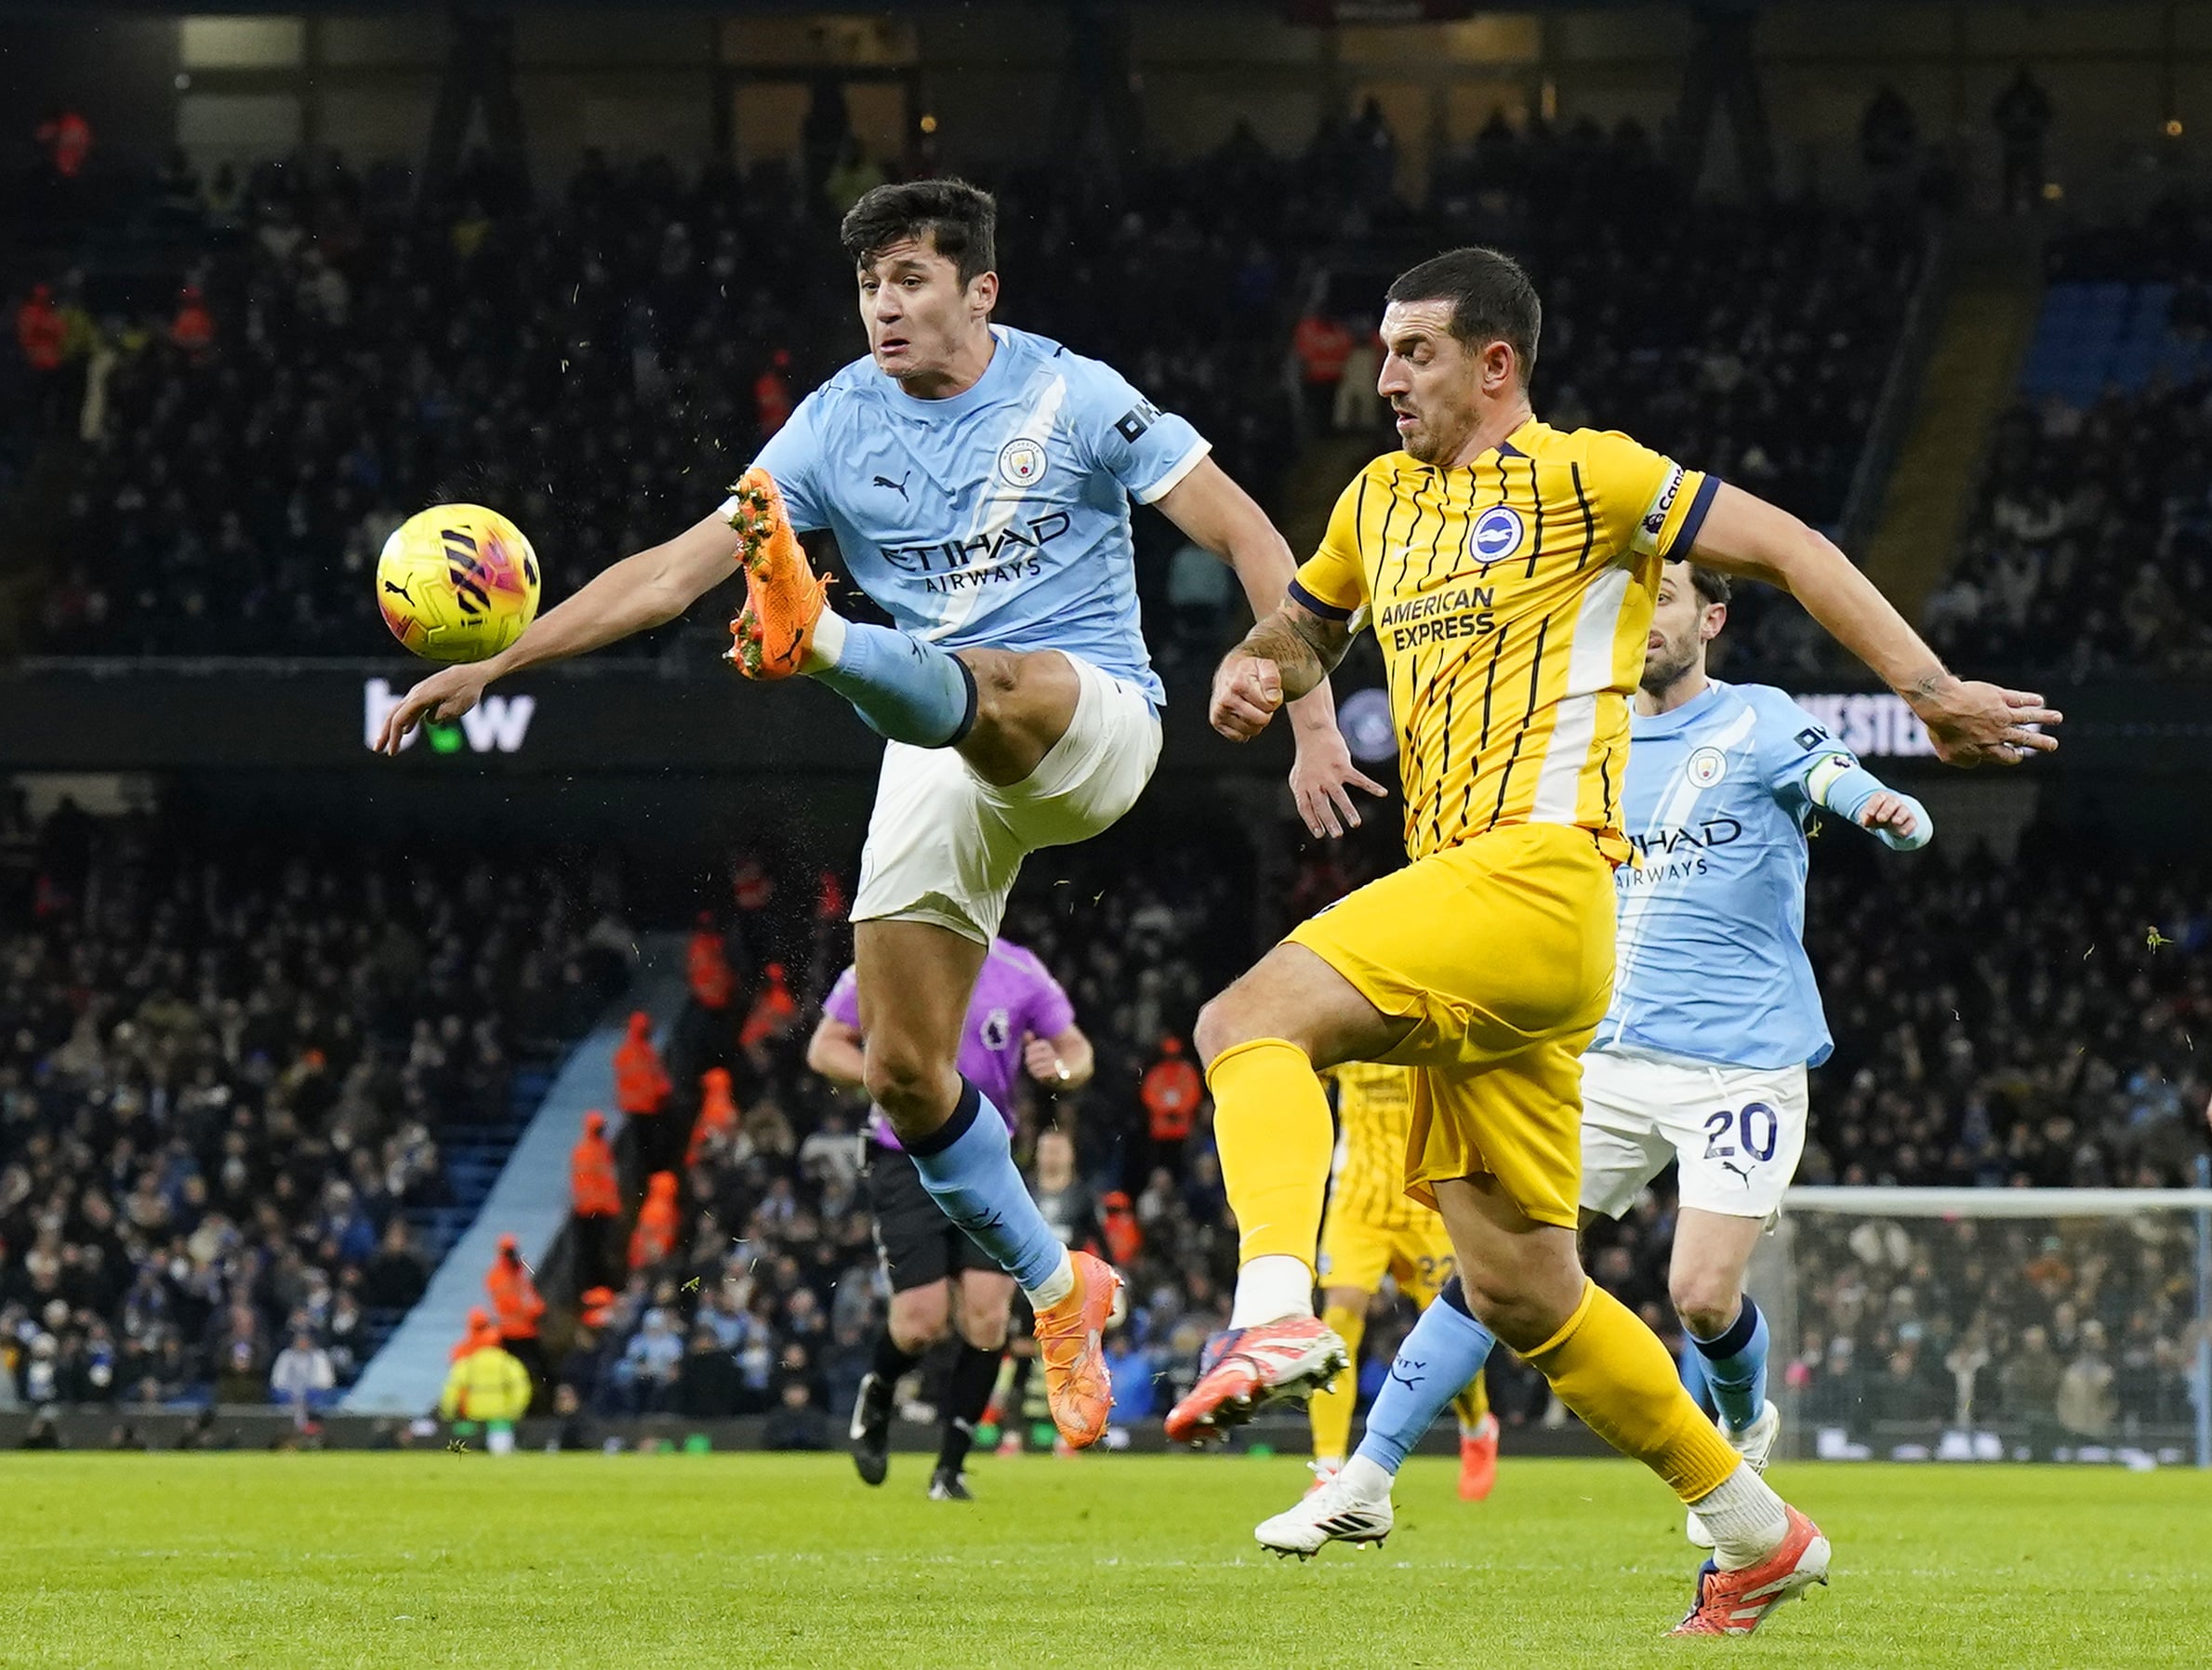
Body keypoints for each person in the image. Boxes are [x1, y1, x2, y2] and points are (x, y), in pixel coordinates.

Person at [375, 176, 1378, 1451]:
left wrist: (1303, 724)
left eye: (910, 281)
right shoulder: (833, 425)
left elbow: (1249, 537)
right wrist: (494, 668)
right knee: (908, 1080)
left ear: (980, 292)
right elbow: (677, 570)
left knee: (990, 680)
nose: (884, 308)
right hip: (932, 746)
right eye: (868, 286)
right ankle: (1061, 1290)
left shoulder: (1075, 394)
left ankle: (824, 640)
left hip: (1089, 715)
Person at [1163, 245, 2058, 1637]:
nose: (1380, 376)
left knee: (1243, 1021)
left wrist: (1925, 689)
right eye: (1379, 352)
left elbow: (1787, 546)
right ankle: (1751, 1528)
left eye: (1412, 354)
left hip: (1535, 880)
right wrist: (1257, 673)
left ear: (1494, 363)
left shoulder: (1589, 475)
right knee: (1524, 1293)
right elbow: (1300, 627)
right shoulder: (1373, 500)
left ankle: (1273, 1308)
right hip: (1479, 929)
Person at [1258, 560, 1935, 1557]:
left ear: (1710, 614)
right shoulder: (1587, 737)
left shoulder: (1756, 716)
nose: (1646, 621)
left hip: (1739, 1063)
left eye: (1663, 600)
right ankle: (1365, 1476)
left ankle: (1740, 1428)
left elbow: (1827, 772)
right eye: (1630, 603)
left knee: (1701, 1292)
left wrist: (1877, 803)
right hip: (1602, 1059)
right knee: (1493, 1271)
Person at [808, 934, 1092, 1500]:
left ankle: (951, 1468)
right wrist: (885, 1071)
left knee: (987, 1320)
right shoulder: (890, 954)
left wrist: (1058, 1068)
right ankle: (881, 1388)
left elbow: (1078, 1052)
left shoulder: (1021, 970)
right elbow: (824, 1048)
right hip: (902, 1153)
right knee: (920, 1322)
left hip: (987, 1155)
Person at [1300, 1062, 1497, 1503]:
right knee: (1338, 1321)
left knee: (1454, 1325)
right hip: (1358, 1204)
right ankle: (1328, 1466)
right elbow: (1304, 1072)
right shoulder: (1347, 1025)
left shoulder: (1424, 1016)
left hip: (1424, 1200)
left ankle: (1478, 1425)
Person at [438, 1339, 532, 1454]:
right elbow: (522, 1389)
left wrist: (449, 1412)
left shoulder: (468, 1363)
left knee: (468, 1452)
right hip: (501, 1418)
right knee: (501, 1454)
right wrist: (516, 1410)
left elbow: (452, 1390)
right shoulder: (509, 1362)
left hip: (474, 1416)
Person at [485, 1233, 546, 1407]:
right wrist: (533, 1310)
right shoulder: (499, 1276)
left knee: (535, 1372)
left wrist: (536, 1309)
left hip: (527, 1331)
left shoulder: (519, 1272)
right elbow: (515, 1304)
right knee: (520, 1373)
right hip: (511, 1334)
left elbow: (532, 1301)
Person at [612, 1011, 674, 1179]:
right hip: (651, 1108)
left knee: (642, 1150)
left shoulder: (624, 1053)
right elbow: (655, 1081)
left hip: (634, 1108)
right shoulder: (645, 1053)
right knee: (653, 1151)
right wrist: (664, 1092)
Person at [568, 1110, 623, 1293]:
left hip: (598, 1210)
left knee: (599, 1253)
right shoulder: (587, 1152)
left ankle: (598, 1288)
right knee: (593, 1254)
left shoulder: (600, 1149)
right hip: (592, 1212)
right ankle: (592, 1288)